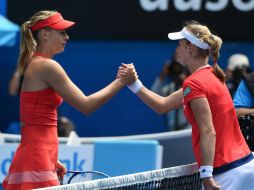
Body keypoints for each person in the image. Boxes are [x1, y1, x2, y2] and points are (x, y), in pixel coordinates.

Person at [2, 10, 136, 190]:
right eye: (62, 32)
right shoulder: (47, 66)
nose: (67, 37)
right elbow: (87, 105)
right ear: (44, 35)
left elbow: (34, 122)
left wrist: (51, 159)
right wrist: (121, 82)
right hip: (36, 160)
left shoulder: (36, 64)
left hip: (37, 157)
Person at [123, 20, 254, 190]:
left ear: (190, 48)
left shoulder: (193, 83)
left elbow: (208, 130)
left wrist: (206, 174)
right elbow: (162, 105)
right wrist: (134, 83)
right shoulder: (213, 75)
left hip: (226, 173)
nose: (176, 50)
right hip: (246, 164)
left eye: (179, 45)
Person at [150, 56, 190, 131]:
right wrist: (163, 74)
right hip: (172, 131)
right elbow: (152, 95)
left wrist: (184, 80)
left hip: (187, 131)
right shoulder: (170, 89)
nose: (177, 70)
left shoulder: (192, 87)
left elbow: (187, 94)